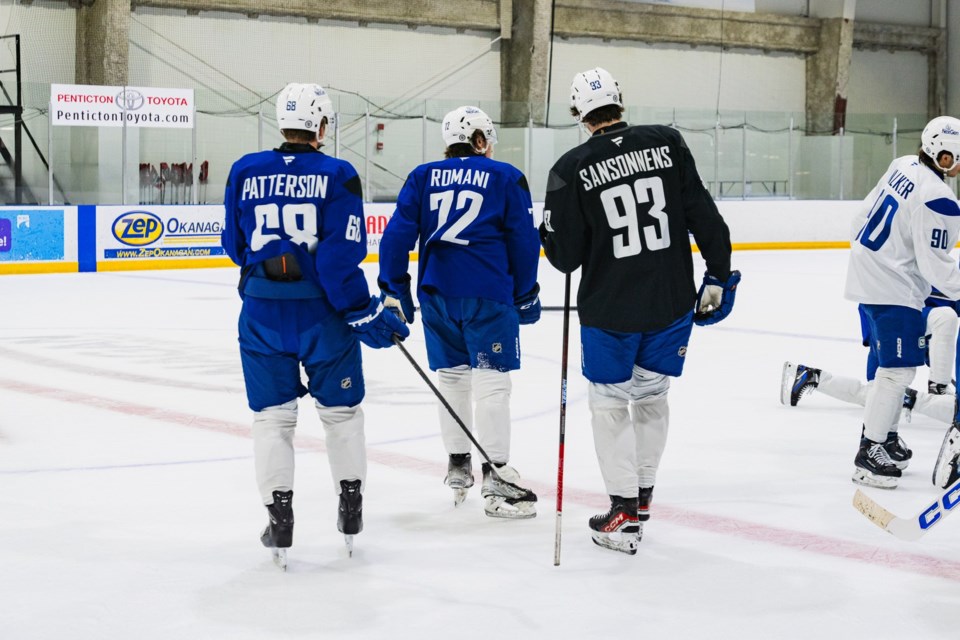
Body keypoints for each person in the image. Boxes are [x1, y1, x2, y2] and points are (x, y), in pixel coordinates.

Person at [540, 68, 738, 555]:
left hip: (609, 309)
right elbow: (703, 213)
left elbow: (565, 257)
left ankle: (623, 509)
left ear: (578, 115)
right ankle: (642, 496)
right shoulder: (667, 142)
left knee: (609, 404)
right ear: (620, 102)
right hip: (670, 301)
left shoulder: (570, 167)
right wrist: (718, 273)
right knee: (651, 395)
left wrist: (547, 233)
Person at [221, 82, 409, 568]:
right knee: (342, 414)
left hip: (262, 311)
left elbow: (234, 245)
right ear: (322, 126)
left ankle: (279, 516)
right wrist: (364, 311)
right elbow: (339, 259)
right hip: (323, 314)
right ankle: (350, 505)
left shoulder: (245, 170)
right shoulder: (338, 174)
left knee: (272, 419)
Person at [377, 105, 541, 519]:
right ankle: (498, 475)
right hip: (487, 294)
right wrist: (525, 294)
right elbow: (524, 242)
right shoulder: (504, 176)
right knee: (491, 385)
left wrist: (394, 290)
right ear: (481, 140)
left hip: (437, 295)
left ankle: (457, 465)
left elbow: (396, 237)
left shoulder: (422, 176)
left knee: (452, 379)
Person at [844, 115, 960, 489]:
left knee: (888, 369)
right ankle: (869, 452)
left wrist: (874, 260)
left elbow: (860, 217)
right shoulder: (939, 197)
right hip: (892, 287)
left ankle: (885, 435)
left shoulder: (904, 165)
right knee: (898, 372)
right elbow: (937, 268)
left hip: (868, 272)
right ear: (942, 157)